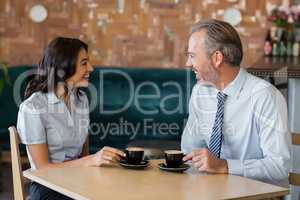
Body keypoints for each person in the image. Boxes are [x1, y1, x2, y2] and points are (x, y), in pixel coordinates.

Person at [181, 19, 291, 187]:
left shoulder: (265, 97)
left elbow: (279, 166)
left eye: (192, 56)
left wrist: (224, 166)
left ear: (217, 58)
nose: (188, 64)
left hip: (258, 195)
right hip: (210, 191)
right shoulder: (200, 91)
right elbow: (190, 150)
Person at [17, 37, 125, 200]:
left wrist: (94, 162)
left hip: (78, 179)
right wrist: (90, 160)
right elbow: (42, 169)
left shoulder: (81, 100)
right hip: (48, 186)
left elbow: (84, 154)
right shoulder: (33, 107)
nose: (91, 68)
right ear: (63, 67)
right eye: (84, 63)